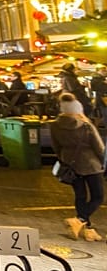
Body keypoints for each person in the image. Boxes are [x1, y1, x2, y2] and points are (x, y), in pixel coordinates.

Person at [52, 94, 105, 242]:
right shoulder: (86, 125)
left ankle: (87, 230)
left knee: (80, 196)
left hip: (70, 165)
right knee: (98, 196)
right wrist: (104, 162)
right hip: (91, 165)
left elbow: (56, 146)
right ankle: (79, 219)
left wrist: (64, 159)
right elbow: (99, 148)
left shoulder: (55, 125)